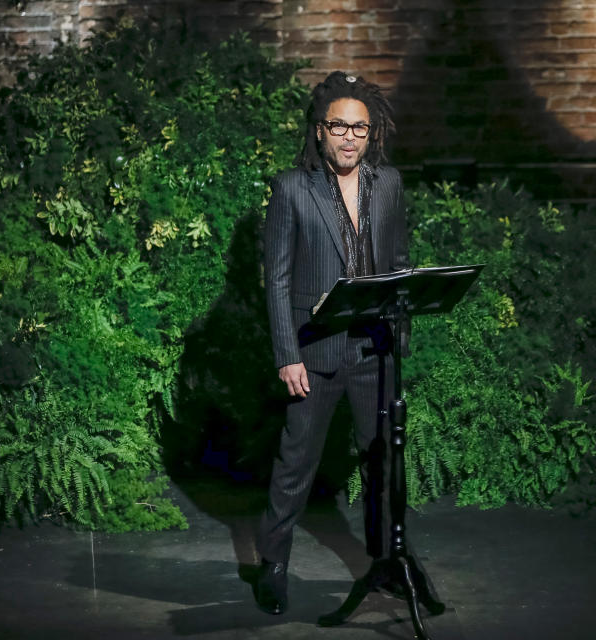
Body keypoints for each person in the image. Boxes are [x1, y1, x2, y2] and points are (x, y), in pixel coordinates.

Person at [254, 71, 408, 615]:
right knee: (295, 464)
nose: (348, 137)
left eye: (359, 129)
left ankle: (386, 563)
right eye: (338, 126)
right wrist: (286, 354)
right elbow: (275, 278)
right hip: (314, 353)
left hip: (373, 351)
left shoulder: (388, 184)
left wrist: (399, 336)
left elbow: (398, 264)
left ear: (372, 135)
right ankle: (272, 565)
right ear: (319, 131)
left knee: (381, 465)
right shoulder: (291, 187)